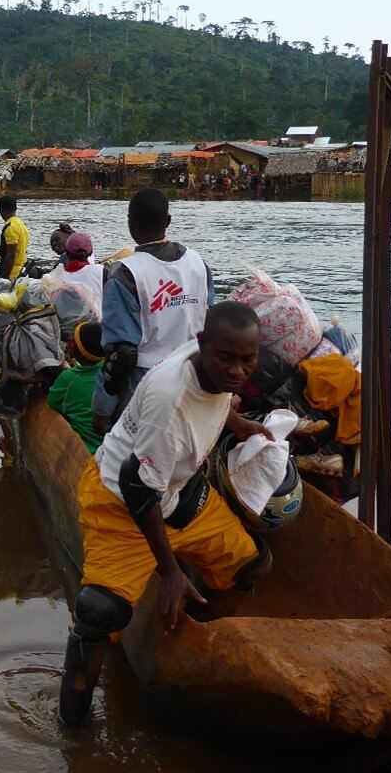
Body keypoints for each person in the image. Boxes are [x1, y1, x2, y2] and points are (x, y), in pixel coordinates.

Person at [58, 302, 273, 729]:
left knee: (254, 564)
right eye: (226, 359)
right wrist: (169, 569)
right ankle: (72, 730)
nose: (237, 370)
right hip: (121, 504)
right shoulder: (169, 403)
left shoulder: (212, 367)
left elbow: (216, 397)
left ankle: (199, 634)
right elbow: (137, 488)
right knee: (100, 614)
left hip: (178, 494)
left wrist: (239, 423)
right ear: (202, 346)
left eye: (247, 360)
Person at [95, 188, 214, 428]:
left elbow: (122, 355)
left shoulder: (124, 274)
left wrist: (102, 407)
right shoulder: (198, 264)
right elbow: (208, 320)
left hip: (145, 390)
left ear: (129, 222)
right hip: (192, 379)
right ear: (168, 221)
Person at [47, 321, 105, 454]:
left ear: (78, 352)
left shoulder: (69, 379)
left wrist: (67, 371)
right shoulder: (112, 371)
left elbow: (52, 402)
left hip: (89, 450)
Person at [56, 232, 106, 312]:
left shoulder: (57, 277)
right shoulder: (101, 271)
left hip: (67, 322)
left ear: (67, 254)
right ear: (90, 253)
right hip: (98, 321)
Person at [0, 195, 29, 281]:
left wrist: (4, 278)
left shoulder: (10, 227)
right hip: (21, 270)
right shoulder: (21, 223)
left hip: (12, 274)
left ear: (1, 210)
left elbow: (11, 255)